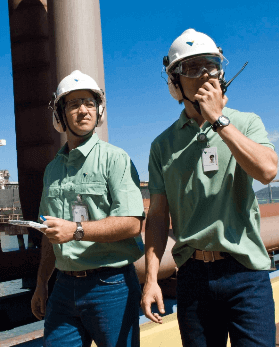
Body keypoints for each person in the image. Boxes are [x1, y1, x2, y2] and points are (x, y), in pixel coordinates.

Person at [141, 29, 278, 347]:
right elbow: (159, 218)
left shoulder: (244, 123)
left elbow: (269, 170)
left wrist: (219, 120)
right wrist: (150, 279)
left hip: (246, 273)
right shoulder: (163, 146)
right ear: (175, 84)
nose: (204, 74)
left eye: (211, 65)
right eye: (192, 68)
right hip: (193, 278)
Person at [31, 70, 145, 347]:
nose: (83, 110)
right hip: (63, 287)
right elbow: (50, 233)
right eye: (73, 104)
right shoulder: (52, 170)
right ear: (60, 114)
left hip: (110, 285)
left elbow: (132, 223)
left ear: (99, 111)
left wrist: (76, 230)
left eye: (90, 103)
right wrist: (41, 283)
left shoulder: (115, 159)